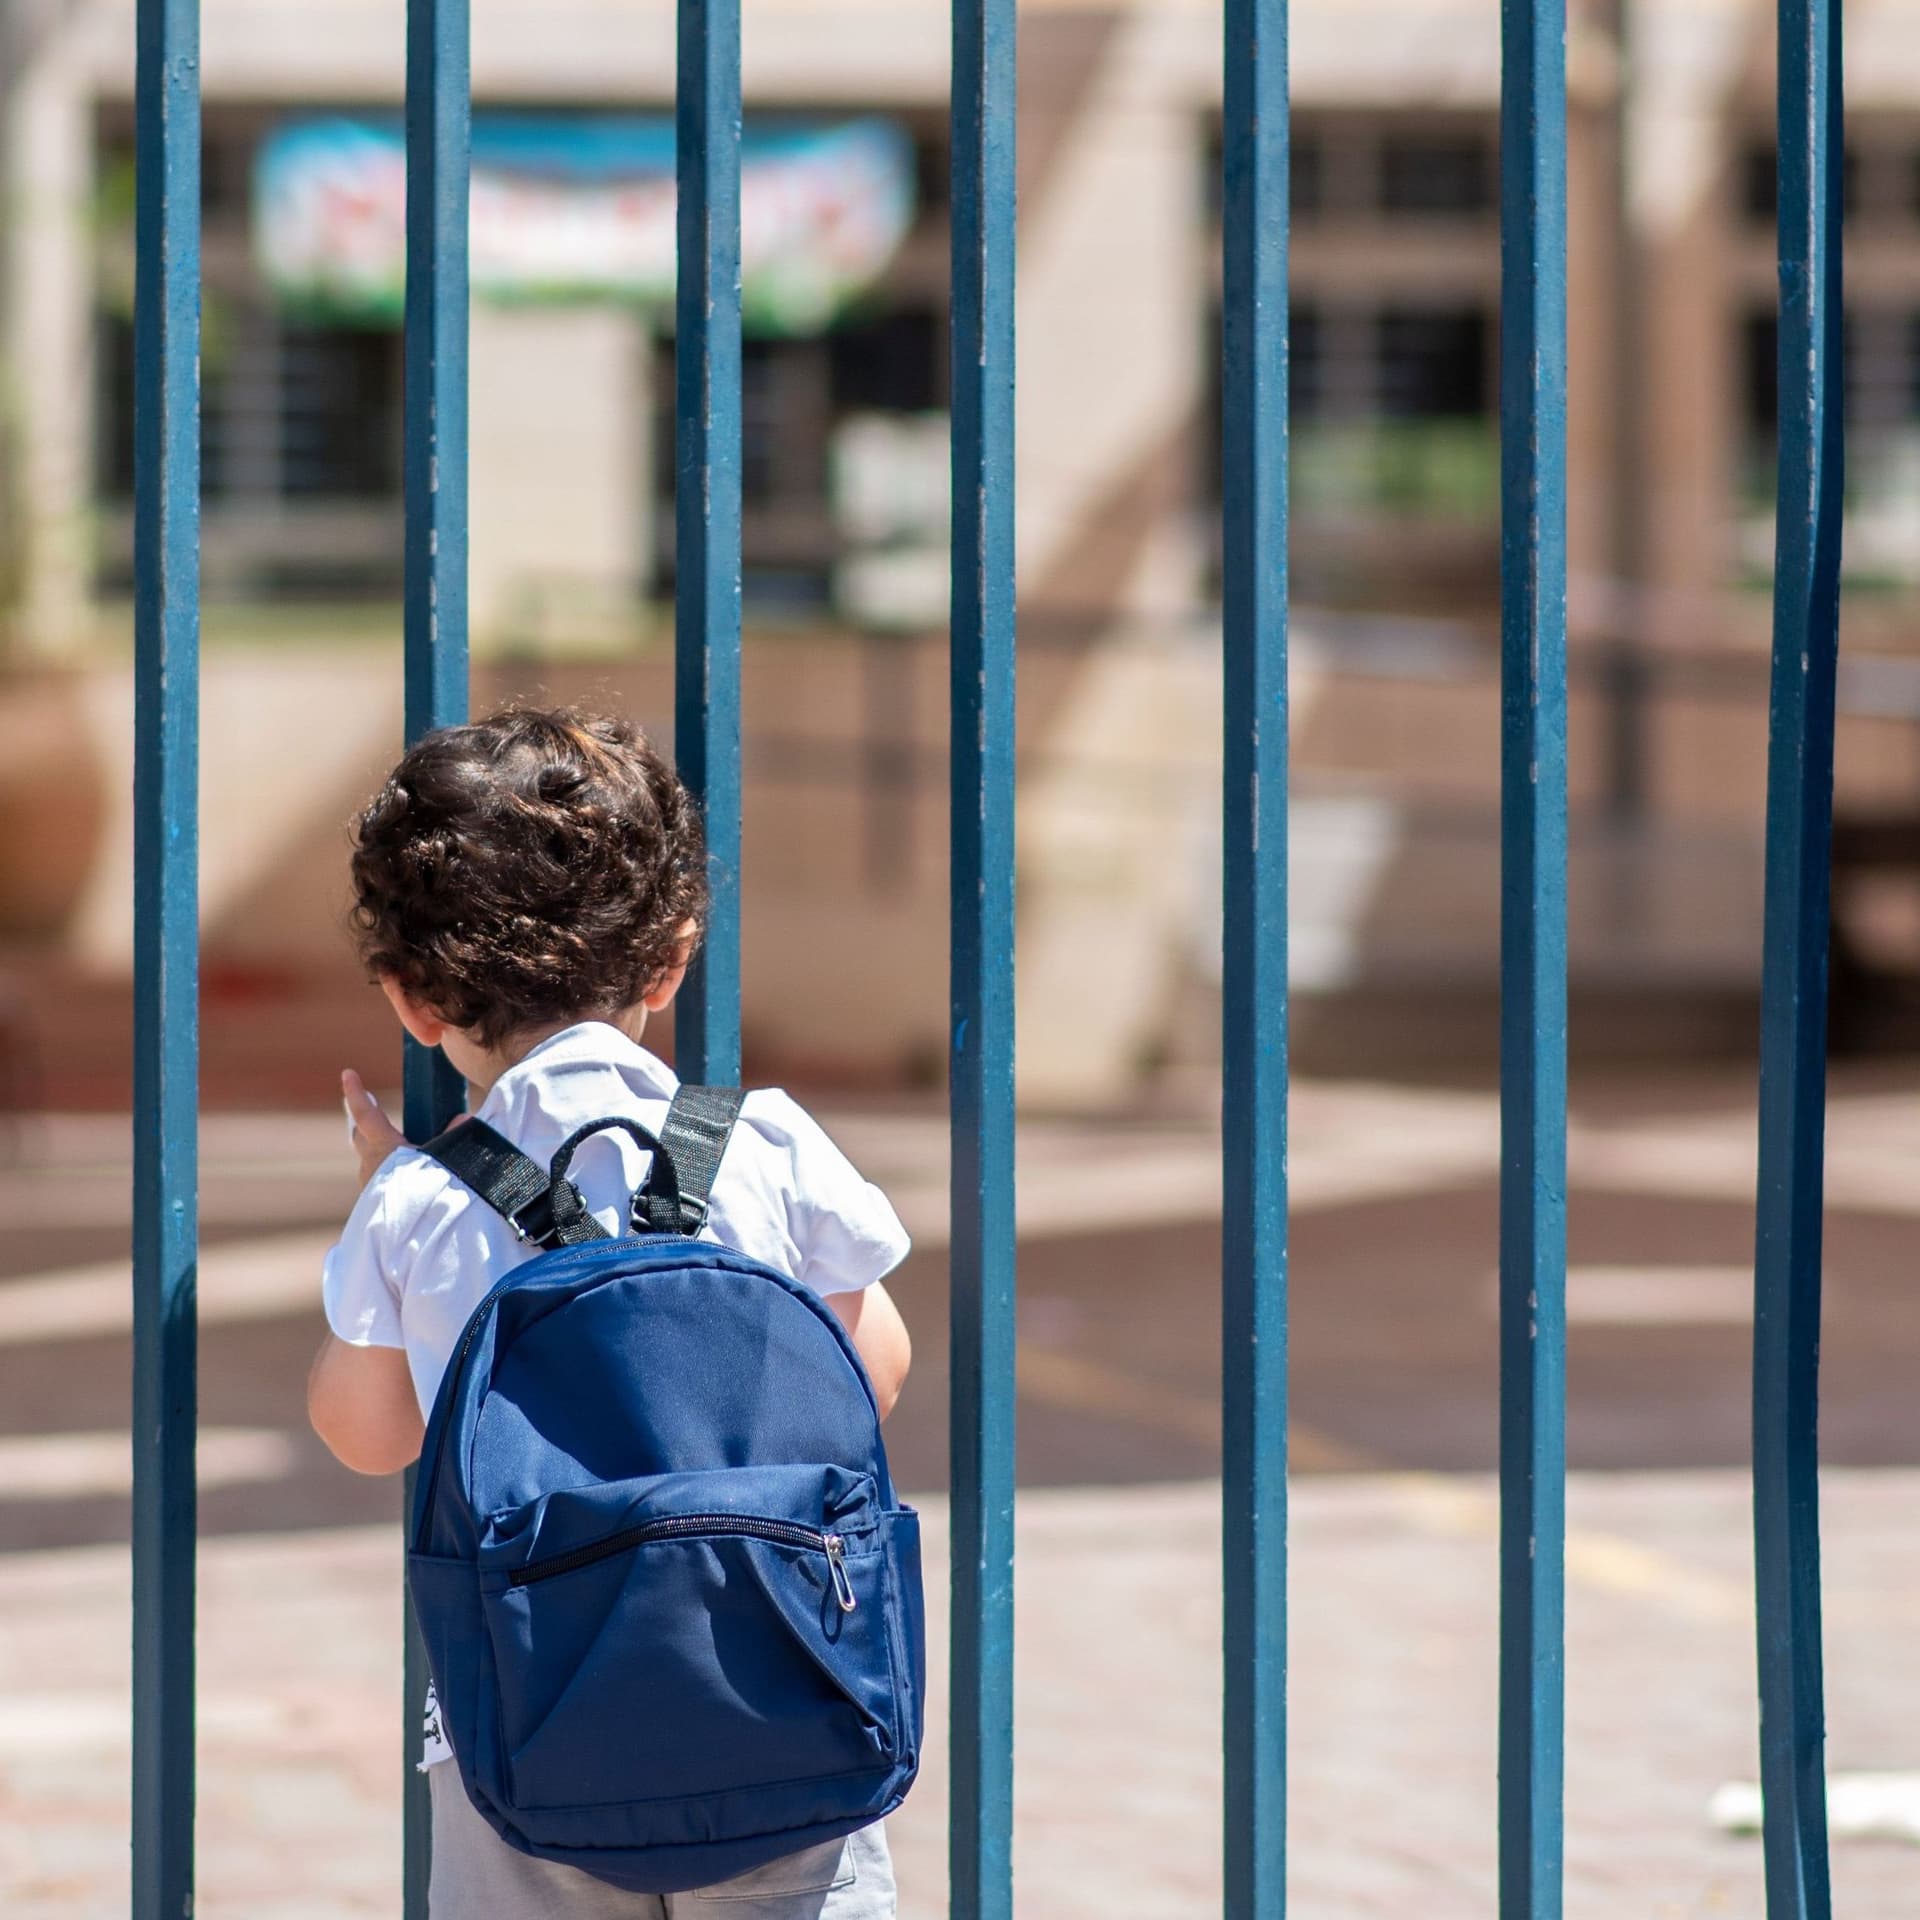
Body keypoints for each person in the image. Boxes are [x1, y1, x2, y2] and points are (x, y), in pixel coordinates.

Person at [307, 705, 912, 1919]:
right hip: (784, 1685)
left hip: (526, 1717)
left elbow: (369, 1436)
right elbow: (874, 1371)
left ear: (412, 1002)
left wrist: (385, 1198)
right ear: (671, 959)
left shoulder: (419, 1200)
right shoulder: (768, 1142)